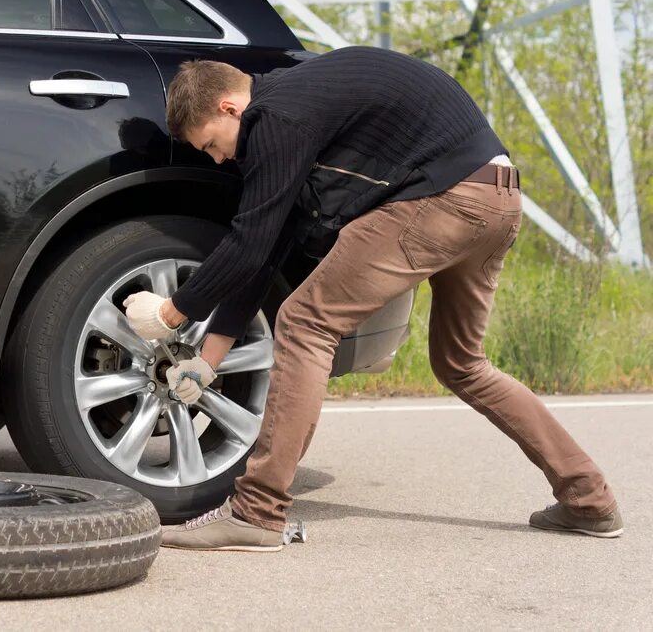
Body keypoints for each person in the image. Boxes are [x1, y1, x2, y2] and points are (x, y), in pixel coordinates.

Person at [122, 47, 622, 552]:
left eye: (211, 144)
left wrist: (170, 312)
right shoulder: (300, 103)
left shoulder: (276, 116)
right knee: (462, 364)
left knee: (303, 322)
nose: (218, 158)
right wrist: (209, 360)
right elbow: (270, 243)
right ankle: (589, 498)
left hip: (443, 200)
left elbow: (249, 242)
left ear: (230, 107)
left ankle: (258, 511)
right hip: (498, 199)